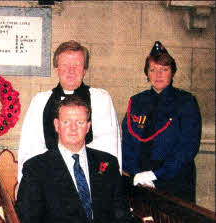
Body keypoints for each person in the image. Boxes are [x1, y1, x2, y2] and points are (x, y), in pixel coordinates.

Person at [16, 95, 131, 223]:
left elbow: (122, 213)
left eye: (80, 122)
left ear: (88, 127)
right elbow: (29, 218)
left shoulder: (108, 162)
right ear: (56, 125)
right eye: (66, 122)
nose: (73, 128)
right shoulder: (35, 168)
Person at [18, 40, 121, 182]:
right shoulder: (40, 101)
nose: (71, 71)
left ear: (84, 70)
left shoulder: (100, 99)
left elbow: (106, 145)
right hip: (49, 177)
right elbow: (31, 147)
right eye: (65, 65)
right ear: (57, 69)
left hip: (89, 177)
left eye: (77, 65)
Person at [121, 41, 201, 203]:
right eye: (153, 70)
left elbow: (188, 147)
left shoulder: (185, 102)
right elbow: (127, 142)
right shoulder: (137, 102)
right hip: (139, 180)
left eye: (164, 69)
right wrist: (136, 173)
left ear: (172, 72)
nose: (158, 75)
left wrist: (156, 175)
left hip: (175, 181)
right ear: (147, 74)